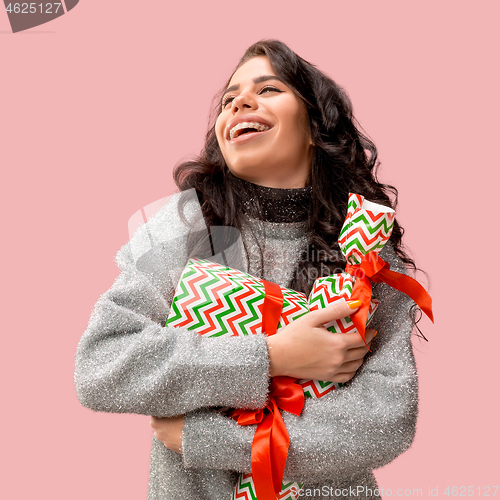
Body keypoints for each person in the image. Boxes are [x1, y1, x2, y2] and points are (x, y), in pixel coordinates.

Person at [75, 40, 421, 499]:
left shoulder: (366, 247)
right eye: (228, 99)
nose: (239, 102)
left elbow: (384, 419)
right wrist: (271, 355)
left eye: (269, 88)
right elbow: (103, 364)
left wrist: (216, 441)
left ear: (316, 128)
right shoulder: (185, 226)